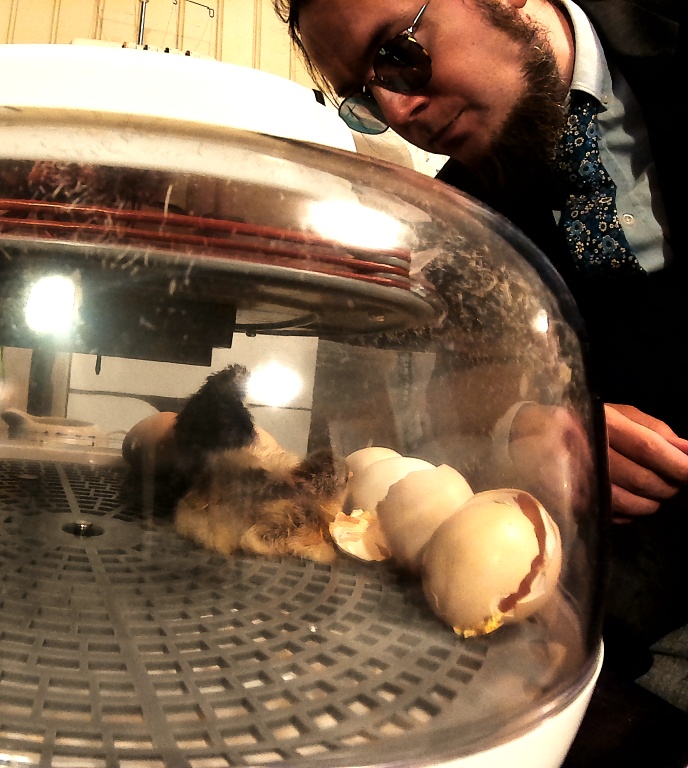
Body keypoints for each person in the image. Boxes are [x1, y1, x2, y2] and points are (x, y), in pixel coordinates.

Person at [273, 0, 687, 701]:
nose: (399, 111)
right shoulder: (462, 218)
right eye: (363, 98)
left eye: (397, 53)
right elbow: (447, 393)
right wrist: (524, 428)